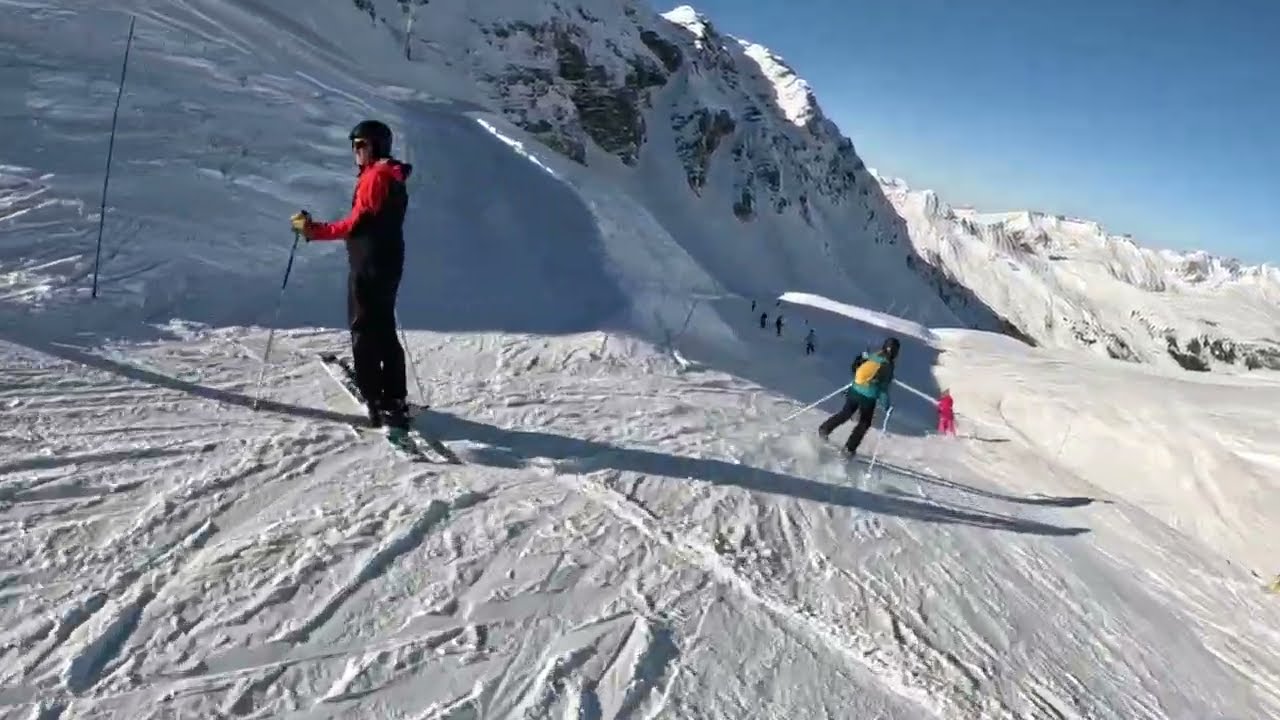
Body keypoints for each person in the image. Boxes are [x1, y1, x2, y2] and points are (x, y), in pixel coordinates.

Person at [290, 120, 414, 430]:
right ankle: (394, 397)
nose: (356, 152)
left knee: (363, 328)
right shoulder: (390, 175)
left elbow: (354, 225)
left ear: (376, 147)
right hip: (389, 260)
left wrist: (311, 230)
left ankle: (373, 397)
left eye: (361, 145)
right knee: (383, 326)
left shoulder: (375, 178)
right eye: (354, 146)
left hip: (368, 263)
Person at [818, 337, 899, 455]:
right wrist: (887, 406)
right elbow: (883, 389)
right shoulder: (888, 365)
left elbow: (860, 366)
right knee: (864, 423)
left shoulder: (875, 355)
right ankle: (849, 448)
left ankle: (825, 429)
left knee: (846, 413)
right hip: (868, 396)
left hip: (855, 390)